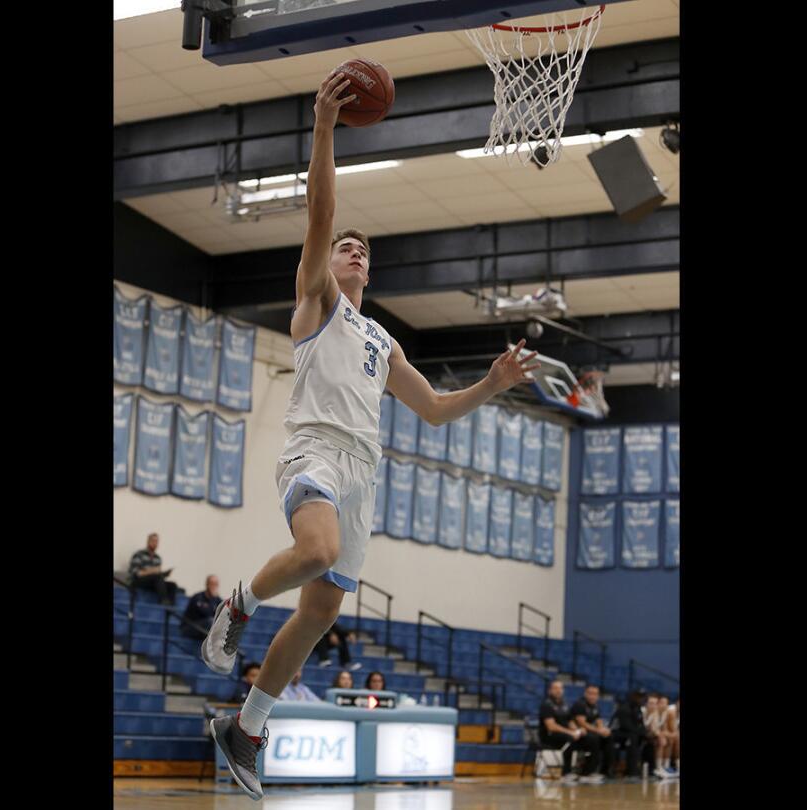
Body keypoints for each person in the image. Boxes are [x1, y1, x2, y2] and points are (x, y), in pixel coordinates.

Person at [202, 69, 541, 803]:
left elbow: (436, 410)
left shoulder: (382, 340)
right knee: (316, 553)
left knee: (323, 607)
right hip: (315, 449)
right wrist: (324, 128)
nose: (354, 250)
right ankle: (237, 607)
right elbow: (320, 217)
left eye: (363, 249)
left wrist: (493, 383)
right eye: (346, 245)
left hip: (365, 470)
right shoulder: (317, 300)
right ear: (327, 263)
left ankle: (246, 729)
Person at [537, 680, 602, 783]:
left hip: (566, 733)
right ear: (550, 690)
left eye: (560, 688)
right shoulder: (546, 705)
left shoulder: (565, 704)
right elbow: (551, 726)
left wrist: (577, 730)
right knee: (570, 739)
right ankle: (565, 773)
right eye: (555, 688)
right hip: (549, 736)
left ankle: (586, 773)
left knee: (592, 738)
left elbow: (570, 721)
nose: (558, 691)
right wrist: (570, 732)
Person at [570, 684, 615, 782]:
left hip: (590, 733)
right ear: (585, 693)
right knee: (594, 739)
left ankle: (606, 770)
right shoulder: (580, 704)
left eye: (595, 694)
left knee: (608, 737)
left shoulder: (595, 706)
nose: (593, 696)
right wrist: (599, 731)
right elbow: (582, 723)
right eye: (590, 693)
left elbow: (598, 721)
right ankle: (586, 772)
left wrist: (603, 729)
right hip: (577, 734)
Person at [611, 690, 654, 779]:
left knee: (650, 741)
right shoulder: (624, 709)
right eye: (638, 696)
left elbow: (640, 725)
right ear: (633, 697)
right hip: (618, 734)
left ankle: (650, 770)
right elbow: (626, 726)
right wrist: (643, 733)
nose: (641, 699)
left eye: (642, 697)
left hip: (631, 734)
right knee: (633, 738)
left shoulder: (638, 709)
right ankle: (631, 771)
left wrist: (646, 734)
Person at [128, 533, 176, 605]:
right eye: (153, 541)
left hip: (152, 582)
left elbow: (157, 575)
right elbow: (135, 573)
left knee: (172, 585)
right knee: (157, 577)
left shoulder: (157, 558)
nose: (155, 543)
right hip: (138, 581)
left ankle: (171, 607)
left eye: (156, 541)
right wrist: (152, 571)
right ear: (148, 541)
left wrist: (164, 574)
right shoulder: (139, 554)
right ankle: (163, 600)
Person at [182, 575, 224, 641]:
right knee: (210, 621)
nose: (214, 586)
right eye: (212, 584)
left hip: (203, 630)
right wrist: (213, 599)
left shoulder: (218, 600)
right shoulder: (198, 597)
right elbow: (207, 613)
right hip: (190, 627)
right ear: (207, 584)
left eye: (216, 584)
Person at [645, 693, 677, 779]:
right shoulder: (651, 712)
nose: (664, 705)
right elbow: (653, 729)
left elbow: (665, 730)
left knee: (669, 740)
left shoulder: (665, 714)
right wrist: (662, 735)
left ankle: (665, 767)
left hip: (653, 734)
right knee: (661, 739)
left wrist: (666, 734)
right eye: (662, 703)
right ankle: (658, 767)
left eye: (666, 703)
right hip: (644, 734)